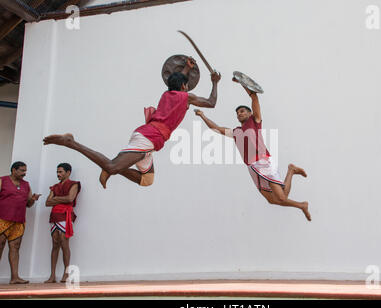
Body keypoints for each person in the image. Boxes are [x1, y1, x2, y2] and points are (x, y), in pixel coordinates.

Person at [43, 58, 221, 189]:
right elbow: (211, 102)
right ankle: (71, 143)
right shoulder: (186, 97)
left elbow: (176, 81)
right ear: (184, 87)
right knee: (112, 166)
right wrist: (215, 83)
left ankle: (117, 169)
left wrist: (186, 69)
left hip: (149, 139)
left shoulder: (167, 94)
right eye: (186, 85)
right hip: (148, 138)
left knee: (146, 180)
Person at [194, 78, 311, 221]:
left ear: (249, 114)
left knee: (281, 197)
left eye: (242, 111)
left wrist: (242, 82)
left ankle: (301, 204)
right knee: (273, 200)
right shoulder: (236, 132)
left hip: (263, 161)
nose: (239, 114)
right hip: (251, 167)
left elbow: (254, 96)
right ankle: (291, 171)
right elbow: (216, 129)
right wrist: (202, 115)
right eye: (237, 113)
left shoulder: (254, 121)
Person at [0, 161, 41, 284]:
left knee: (15, 248)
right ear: (13, 170)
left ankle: (15, 277)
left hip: (19, 221)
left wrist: (33, 199)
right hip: (2, 219)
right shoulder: (2, 180)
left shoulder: (26, 185)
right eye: (22, 170)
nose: (24, 173)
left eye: (25, 170)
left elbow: (28, 204)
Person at [44, 163, 81, 283]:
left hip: (65, 215)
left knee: (64, 243)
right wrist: (60, 199)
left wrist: (55, 199)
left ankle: (66, 274)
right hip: (54, 216)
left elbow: (70, 199)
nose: (58, 174)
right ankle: (52, 275)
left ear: (68, 172)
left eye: (61, 172)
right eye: (57, 172)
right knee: (54, 244)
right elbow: (47, 202)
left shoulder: (74, 184)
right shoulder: (54, 186)